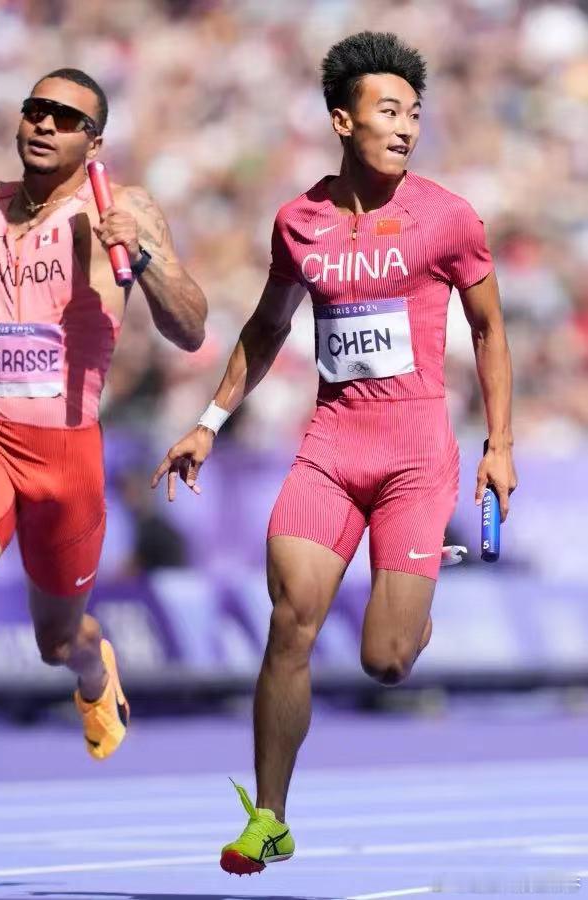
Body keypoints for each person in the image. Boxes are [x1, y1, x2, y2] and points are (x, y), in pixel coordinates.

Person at [152, 30, 516, 875]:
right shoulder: (298, 221)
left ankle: (414, 596)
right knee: (289, 624)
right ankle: (270, 818)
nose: (406, 127)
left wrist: (498, 445)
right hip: (329, 448)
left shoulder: (447, 217)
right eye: (388, 110)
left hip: (415, 457)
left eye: (414, 113)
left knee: (385, 660)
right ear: (341, 121)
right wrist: (209, 419)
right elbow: (266, 327)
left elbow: (489, 329)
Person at [0, 68, 207, 760]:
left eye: (66, 117)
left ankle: (93, 671)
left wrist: (142, 256)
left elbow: (191, 328)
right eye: (36, 110)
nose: (45, 124)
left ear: (95, 142)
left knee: (58, 641)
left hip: (68, 453)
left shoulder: (123, 209)